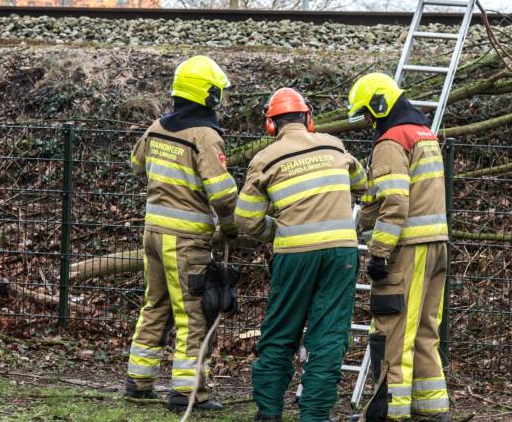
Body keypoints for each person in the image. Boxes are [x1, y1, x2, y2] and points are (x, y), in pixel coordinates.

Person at [236, 87, 368, 422]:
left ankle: (269, 411)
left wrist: (278, 231)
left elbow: (246, 219)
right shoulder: (333, 144)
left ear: (271, 125)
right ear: (308, 118)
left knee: (281, 331)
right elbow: (362, 182)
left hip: (295, 255)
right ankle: (315, 414)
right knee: (329, 335)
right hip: (341, 253)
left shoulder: (265, 159)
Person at [124, 55, 239, 413]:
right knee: (194, 314)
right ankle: (188, 394)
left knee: (154, 304)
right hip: (186, 239)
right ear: (207, 95)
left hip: (153, 233)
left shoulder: (157, 126)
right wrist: (232, 226)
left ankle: (138, 382)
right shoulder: (204, 136)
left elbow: (136, 164)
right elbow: (222, 194)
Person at [347, 73, 450, 421]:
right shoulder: (424, 134)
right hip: (436, 244)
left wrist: (378, 251)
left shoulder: (391, 141)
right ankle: (432, 408)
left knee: (393, 332)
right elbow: (391, 197)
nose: (365, 122)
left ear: (379, 105)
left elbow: (395, 203)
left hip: (407, 250)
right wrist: (358, 218)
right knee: (424, 331)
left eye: (366, 113)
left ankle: (389, 412)